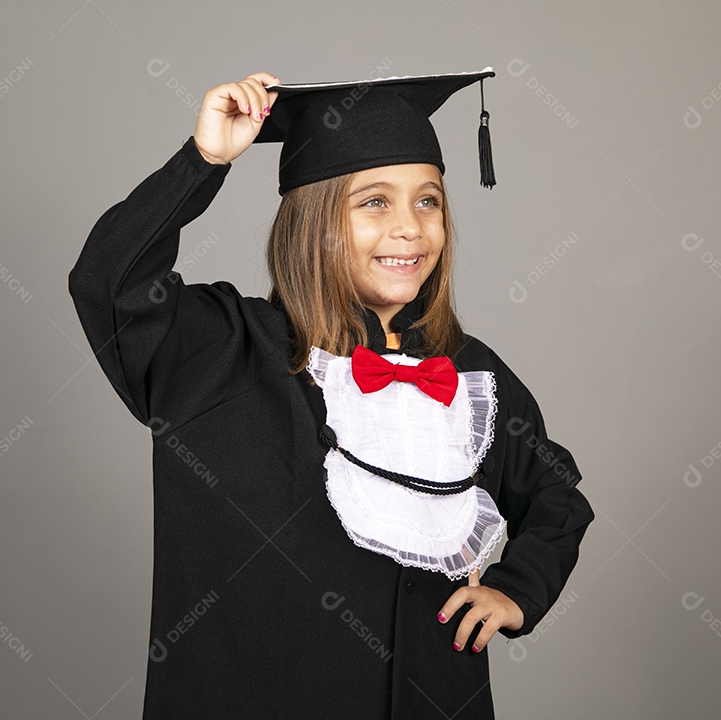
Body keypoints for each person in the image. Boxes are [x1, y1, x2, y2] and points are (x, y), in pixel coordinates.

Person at [68, 67, 594, 720]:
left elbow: (556, 494)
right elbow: (106, 281)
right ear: (313, 220)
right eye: (375, 201)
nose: (410, 227)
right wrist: (201, 161)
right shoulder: (223, 350)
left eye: (427, 200)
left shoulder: (469, 373)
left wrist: (519, 588)